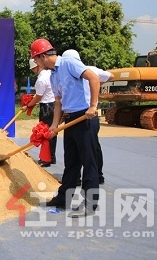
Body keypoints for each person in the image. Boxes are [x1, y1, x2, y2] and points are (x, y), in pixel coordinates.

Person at [30, 38, 100, 218]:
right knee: (71, 162)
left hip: (85, 117)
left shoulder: (69, 63)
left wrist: (93, 106)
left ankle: (90, 203)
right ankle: (64, 198)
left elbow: (93, 77)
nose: (36, 63)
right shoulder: (53, 75)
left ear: (43, 56)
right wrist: (54, 125)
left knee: (88, 161)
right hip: (70, 119)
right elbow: (59, 102)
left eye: (36, 59)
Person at [62, 49, 114, 185]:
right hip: (78, 115)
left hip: (86, 114)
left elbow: (110, 76)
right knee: (86, 150)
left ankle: (95, 178)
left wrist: (95, 89)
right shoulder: (67, 72)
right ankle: (92, 176)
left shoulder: (89, 70)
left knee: (88, 153)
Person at [24, 58, 57, 167]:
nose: (33, 71)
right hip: (54, 105)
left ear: (36, 67)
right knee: (52, 132)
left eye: (33, 69)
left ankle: (46, 159)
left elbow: (38, 97)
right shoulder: (49, 73)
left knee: (44, 132)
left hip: (47, 108)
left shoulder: (41, 79)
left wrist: (28, 105)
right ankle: (51, 157)